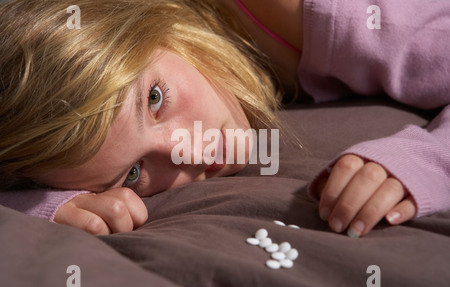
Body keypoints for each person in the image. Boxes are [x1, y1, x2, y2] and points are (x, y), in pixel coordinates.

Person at [0, 0, 449, 238]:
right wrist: (45, 207)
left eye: (155, 99)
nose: (192, 151)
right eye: (133, 173)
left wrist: (423, 161)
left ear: (152, 22)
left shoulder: (342, 17)